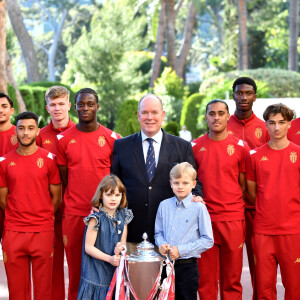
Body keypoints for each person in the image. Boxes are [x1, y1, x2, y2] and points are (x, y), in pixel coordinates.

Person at [111, 94, 203, 250]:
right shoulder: (121, 146)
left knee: (166, 276)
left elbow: (193, 182)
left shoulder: (182, 147)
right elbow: (114, 184)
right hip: (132, 232)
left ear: (163, 115)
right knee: (133, 275)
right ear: (138, 116)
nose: (149, 117)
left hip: (170, 235)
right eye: (145, 113)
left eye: (154, 112)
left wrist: (197, 197)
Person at [56, 88, 121, 300]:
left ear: (97, 107)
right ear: (74, 107)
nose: (85, 108)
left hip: (105, 215)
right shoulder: (63, 139)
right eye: (81, 104)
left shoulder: (112, 138)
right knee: (76, 271)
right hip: (74, 214)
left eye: (90, 104)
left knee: (105, 269)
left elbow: (116, 179)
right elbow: (65, 177)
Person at [0, 111, 61, 300]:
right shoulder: (4, 162)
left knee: (44, 290)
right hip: (13, 232)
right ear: (16, 132)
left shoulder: (49, 159)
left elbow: (56, 197)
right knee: (17, 291)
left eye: (30, 128)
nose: (25, 132)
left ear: (37, 132)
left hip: (42, 231)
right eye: (21, 128)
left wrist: (42, 215)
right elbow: (3, 200)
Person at [192, 99, 249, 300]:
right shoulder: (195, 146)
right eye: (212, 113)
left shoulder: (240, 147)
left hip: (232, 219)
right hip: (204, 220)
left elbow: (242, 185)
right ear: (206, 117)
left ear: (227, 116)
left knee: (232, 278)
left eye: (220, 113)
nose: (216, 117)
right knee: (206, 279)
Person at [246, 103, 300, 299]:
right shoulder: (255, 156)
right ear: (266, 125)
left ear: (289, 125)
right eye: (272, 123)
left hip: (293, 231)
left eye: (281, 122)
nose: (276, 128)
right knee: (264, 289)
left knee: (295, 288)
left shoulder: (299, 153)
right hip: (263, 231)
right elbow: (252, 193)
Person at [228, 77, 269, 299]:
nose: (244, 97)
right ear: (233, 94)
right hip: (230, 207)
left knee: (259, 263)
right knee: (230, 266)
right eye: (239, 93)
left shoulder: (264, 128)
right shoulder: (223, 125)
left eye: (248, 93)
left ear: (255, 96)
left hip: (257, 207)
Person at [36, 86, 75, 300]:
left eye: (61, 104)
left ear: (69, 105)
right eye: (53, 105)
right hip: (49, 213)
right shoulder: (40, 137)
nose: (57, 108)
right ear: (47, 108)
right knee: (52, 265)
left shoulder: (79, 132)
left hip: (76, 210)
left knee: (79, 264)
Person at [155, 162, 213, 300]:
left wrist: (180, 250)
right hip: (165, 266)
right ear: (171, 183)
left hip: (187, 267)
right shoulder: (164, 205)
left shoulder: (199, 208)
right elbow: (158, 233)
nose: (180, 186)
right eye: (177, 182)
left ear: (193, 184)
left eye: (185, 183)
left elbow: (208, 240)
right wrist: (161, 244)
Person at [77, 174, 133, 299]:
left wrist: (121, 247)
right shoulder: (95, 219)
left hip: (113, 272)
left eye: (117, 195)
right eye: (109, 195)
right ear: (101, 195)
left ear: (122, 196)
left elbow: (123, 240)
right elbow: (88, 247)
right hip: (96, 272)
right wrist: (109, 259)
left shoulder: (123, 215)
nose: (113, 199)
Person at [0, 93, 18, 243]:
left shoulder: (22, 135)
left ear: (12, 111)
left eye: (4, 106)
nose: (0, 110)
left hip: (15, 201)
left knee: (14, 252)